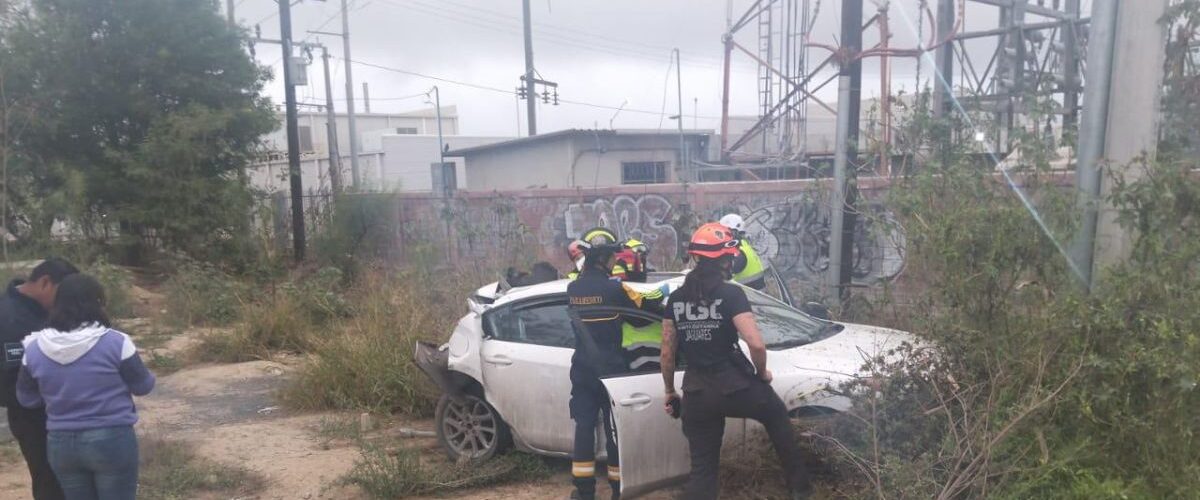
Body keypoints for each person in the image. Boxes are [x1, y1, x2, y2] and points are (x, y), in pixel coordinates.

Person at [661, 223, 813, 500]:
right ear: (724, 259)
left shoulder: (676, 299)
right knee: (777, 416)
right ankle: (800, 490)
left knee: (703, 471)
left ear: (697, 257)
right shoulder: (731, 294)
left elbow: (667, 353)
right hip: (734, 387)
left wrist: (670, 390)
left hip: (696, 393)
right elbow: (755, 342)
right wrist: (762, 372)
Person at [17, 274, 156, 500]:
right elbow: (143, 386)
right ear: (98, 303)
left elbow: (26, 399)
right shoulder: (116, 342)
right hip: (111, 439)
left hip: (61, 443)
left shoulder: (33, 348)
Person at [567, 243, 663, 500]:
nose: (614, 263)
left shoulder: (573, 288)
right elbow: (642, 314)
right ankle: (618, 490)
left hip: (582, 368)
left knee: (584, 426)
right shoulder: (614, 288)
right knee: (613, 430)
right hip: (611, 371)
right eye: (612, 258)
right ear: (603, 260)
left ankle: (584, 491)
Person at [0, 258, 78, 500]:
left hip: (68, 413)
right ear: (45, 283)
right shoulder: (6, 317)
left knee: (77, 480)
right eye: (63, 295)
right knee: (49, 481)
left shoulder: (54, 311)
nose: (66, 304)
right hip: (31, 417)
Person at [719, 213, 769, 290]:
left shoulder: (737, 253)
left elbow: (721, 275)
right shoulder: (744, 246)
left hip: (749, 298)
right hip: (756, 296)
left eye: (723, 233)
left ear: (733, 232)